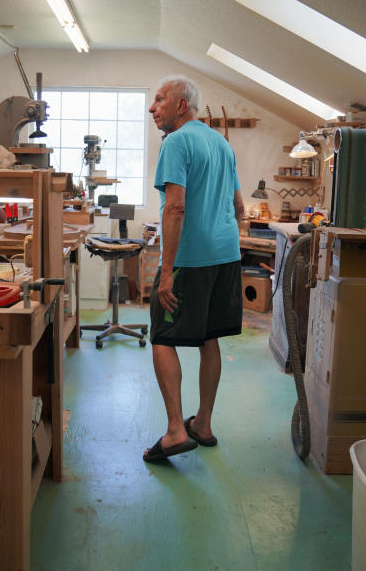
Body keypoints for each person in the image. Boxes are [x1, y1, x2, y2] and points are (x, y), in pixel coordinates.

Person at [142, 75, 244, 463]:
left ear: (180, 105)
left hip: (192, 258)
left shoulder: (178, 142)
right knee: (208, 337)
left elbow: (176, 207)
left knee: (164, 335)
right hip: (226, 256)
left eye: (159, 99)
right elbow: (239, 209)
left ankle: (174, 431)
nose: (153, 108)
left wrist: (167, 272)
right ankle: (203, 423)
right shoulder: (221, 143)